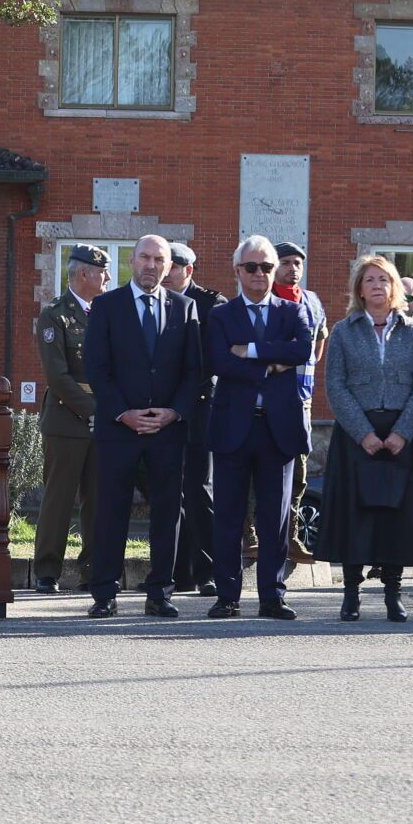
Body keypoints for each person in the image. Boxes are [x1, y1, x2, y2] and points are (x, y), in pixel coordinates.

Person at [81, 234, 202, 618]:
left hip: (167, 431)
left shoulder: (184, 307)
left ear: (169, 267)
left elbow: (194, 370)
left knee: (167, 512)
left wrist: (174, 412)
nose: (151, 265)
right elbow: (95, 367)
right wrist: (123, 412)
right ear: (132, 262)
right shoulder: (106, 306)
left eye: (159, 259)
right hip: (119, 429)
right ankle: (104, 592)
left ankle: (160, 592)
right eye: (145, 258)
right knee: (110, 510)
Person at [317, 255, 413, 622]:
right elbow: (335, 386)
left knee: (396, 520)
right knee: (356, 518)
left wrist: (403, 432)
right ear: (360, 289)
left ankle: (393, 595)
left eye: (384, 279)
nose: (378, 285)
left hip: (400, 436)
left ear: (395, 287)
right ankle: (351, 594)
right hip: (357, 437)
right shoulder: (343, 331)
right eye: (370, 279)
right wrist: (363, 433)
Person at [206, 235, 314, 619]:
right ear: (237, 270)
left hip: (278, 429)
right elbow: (219, 361)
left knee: (276, 518)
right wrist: (272, 363)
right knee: (228, 516)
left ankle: (272, 596)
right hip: (233, 427)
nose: (259, 273)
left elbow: (302, 350)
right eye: (251, 267)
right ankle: (227, 595)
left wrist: (250, 351)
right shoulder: (221, 315)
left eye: (267, 267)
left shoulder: (293, 312)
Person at [32, 244, 110, 593]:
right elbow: (57, 375)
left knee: (98, 500)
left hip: (104, 420)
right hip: (66, 420)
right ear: (83, 274)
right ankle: (47, 571)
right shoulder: (55, 315)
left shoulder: (107, 313)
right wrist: (95, 410)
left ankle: (93, 571)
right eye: (102, 272)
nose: (108, 278)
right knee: (58, 499)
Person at [166, 240, 225, 596]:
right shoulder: (155, 301)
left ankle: (209, 571)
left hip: (200, 406)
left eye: (173, 266)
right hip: (162, 408)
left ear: (188, 270)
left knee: (199, 490)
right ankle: (175, 572)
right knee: (168, 490)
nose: (166, 272)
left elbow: (212, 359)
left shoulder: (211, 305)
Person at [271, 243, 327, 564]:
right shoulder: (264, 299)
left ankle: (291, 534)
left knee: (299, 470)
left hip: (300, 400)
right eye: (286, 262)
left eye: (298, 263)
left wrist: (306, 368)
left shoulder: (312, 300)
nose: (293, 269)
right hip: (265, 398)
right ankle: (252, 533)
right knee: (259, 468)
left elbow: (320, 339)